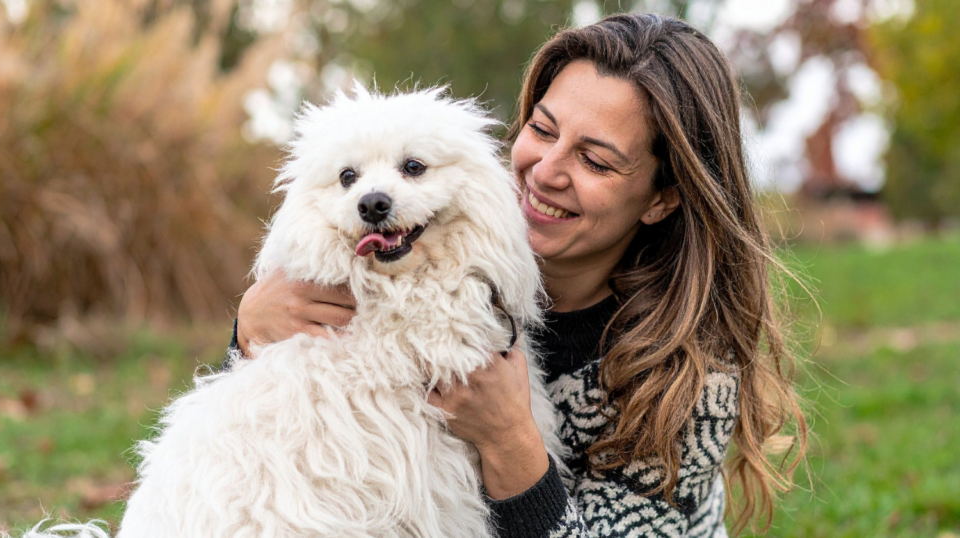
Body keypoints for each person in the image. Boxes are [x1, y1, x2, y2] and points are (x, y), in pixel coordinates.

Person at [227, 13, 807, 538]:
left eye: (595, 161)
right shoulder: (418, 255)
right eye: (544, 129)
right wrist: (251, 335)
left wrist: (511, 442)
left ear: (661, 199)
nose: (544, 173)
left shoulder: (691, 378)